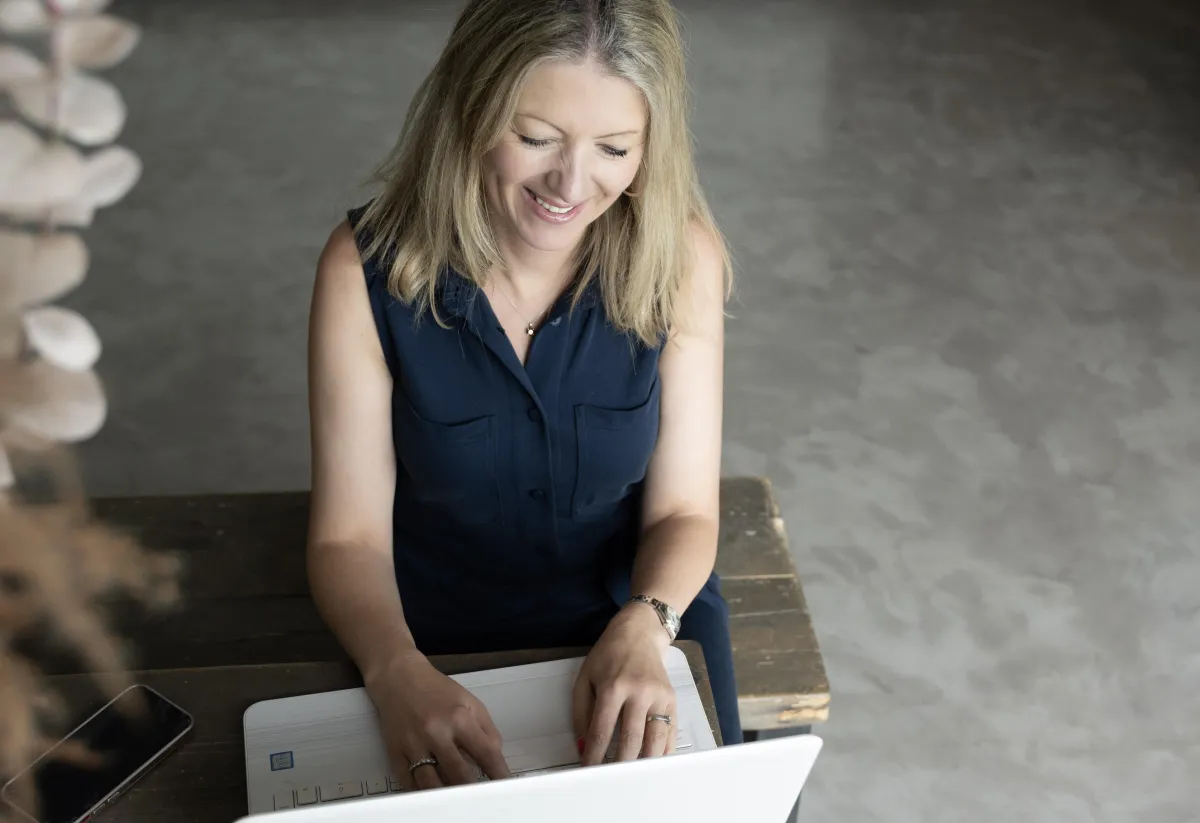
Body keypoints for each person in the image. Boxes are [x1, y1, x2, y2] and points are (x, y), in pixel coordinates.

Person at [305, 0, 740, 793]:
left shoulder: (682, 259)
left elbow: (685, 512)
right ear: (468, 112)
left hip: (641, 607)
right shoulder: (361, 270)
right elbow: (349, 542)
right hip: (430, 631)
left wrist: (650, 623)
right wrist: (395, 668)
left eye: (614, 148)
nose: (570, 185)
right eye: (535, 138)